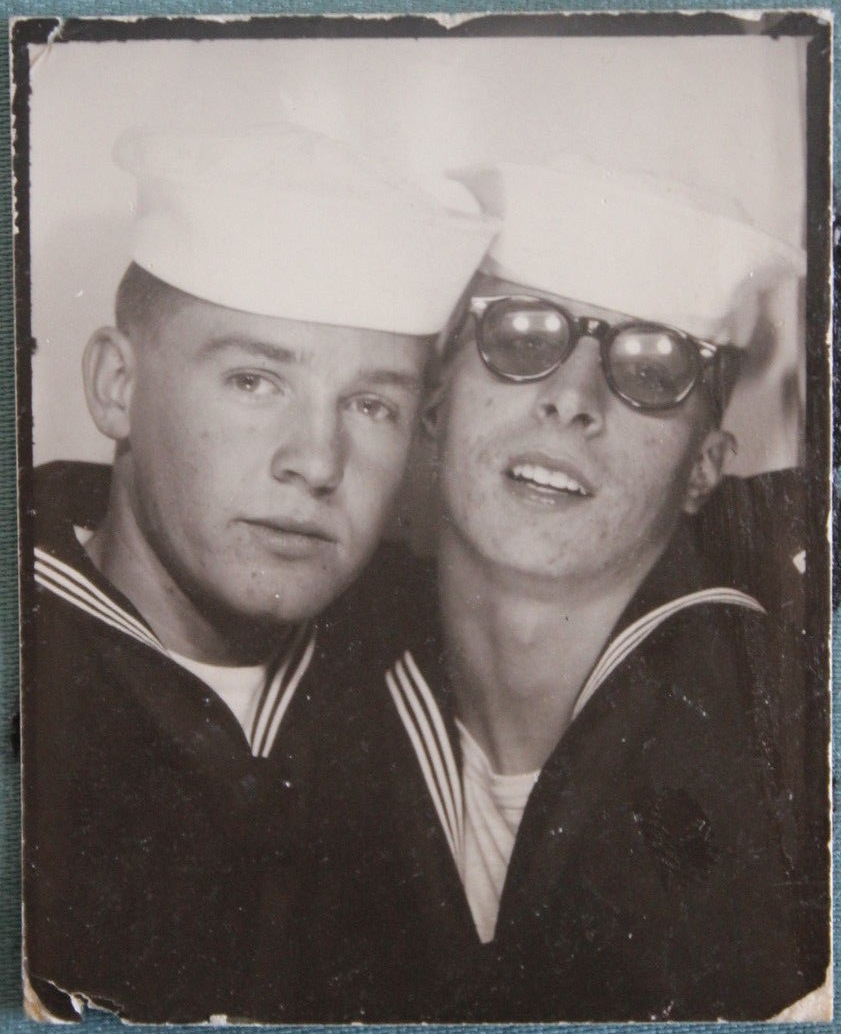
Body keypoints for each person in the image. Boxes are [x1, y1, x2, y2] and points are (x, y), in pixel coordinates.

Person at [297, 157, 829, 1021]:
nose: (572, 399)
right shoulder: (313, 681)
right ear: (434, 405)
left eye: (651, 369)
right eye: (521, 340)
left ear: (703, 469)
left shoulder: (788, 741)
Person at [21, 123, 497, 1023]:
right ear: (117, 385)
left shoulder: (419, 667)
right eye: (253, 381)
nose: (316, 461)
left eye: (371, 404)